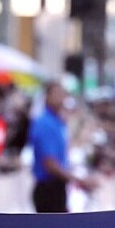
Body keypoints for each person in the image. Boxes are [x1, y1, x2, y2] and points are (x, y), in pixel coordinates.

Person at [27, 81, 97, 212]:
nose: (60, 97)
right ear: (47, 96)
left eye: (62, 94)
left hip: (59, 188)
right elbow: (50, 164)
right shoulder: (44, 123)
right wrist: (78, 180)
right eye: (56, 94)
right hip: (48, 190)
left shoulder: (59, 123)